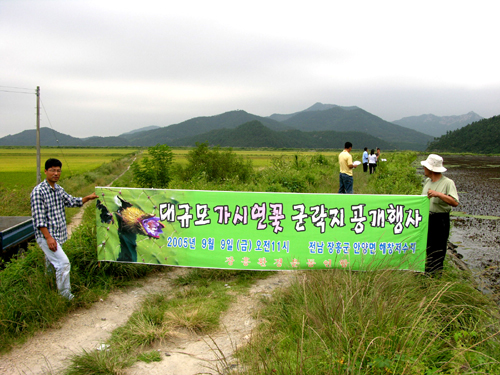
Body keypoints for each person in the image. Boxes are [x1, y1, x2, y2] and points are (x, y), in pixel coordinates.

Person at [31, 158, 98, 300]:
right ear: (46, 171)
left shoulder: (58, 189)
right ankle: (65, 296)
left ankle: (49, 288)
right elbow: (39, 218)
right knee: (63, 263)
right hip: (48, 237)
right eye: (53, 170)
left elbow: (72, 201)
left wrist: (88, 197)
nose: (56, 173)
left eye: (58, 170)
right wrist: (48, 238)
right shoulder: (38, 192)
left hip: (59, 235)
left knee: (51, 265)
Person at [421, 154, 459, 275]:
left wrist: (439, 194)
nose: (424, 169)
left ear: (431, 169)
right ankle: (426, 273)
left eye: (425, 167)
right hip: (427, 218)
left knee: (438, 249)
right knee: (427, 247)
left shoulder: (448, 183)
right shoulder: (427, 181)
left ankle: (435, 276)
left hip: (440, 220)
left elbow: (454, 202)